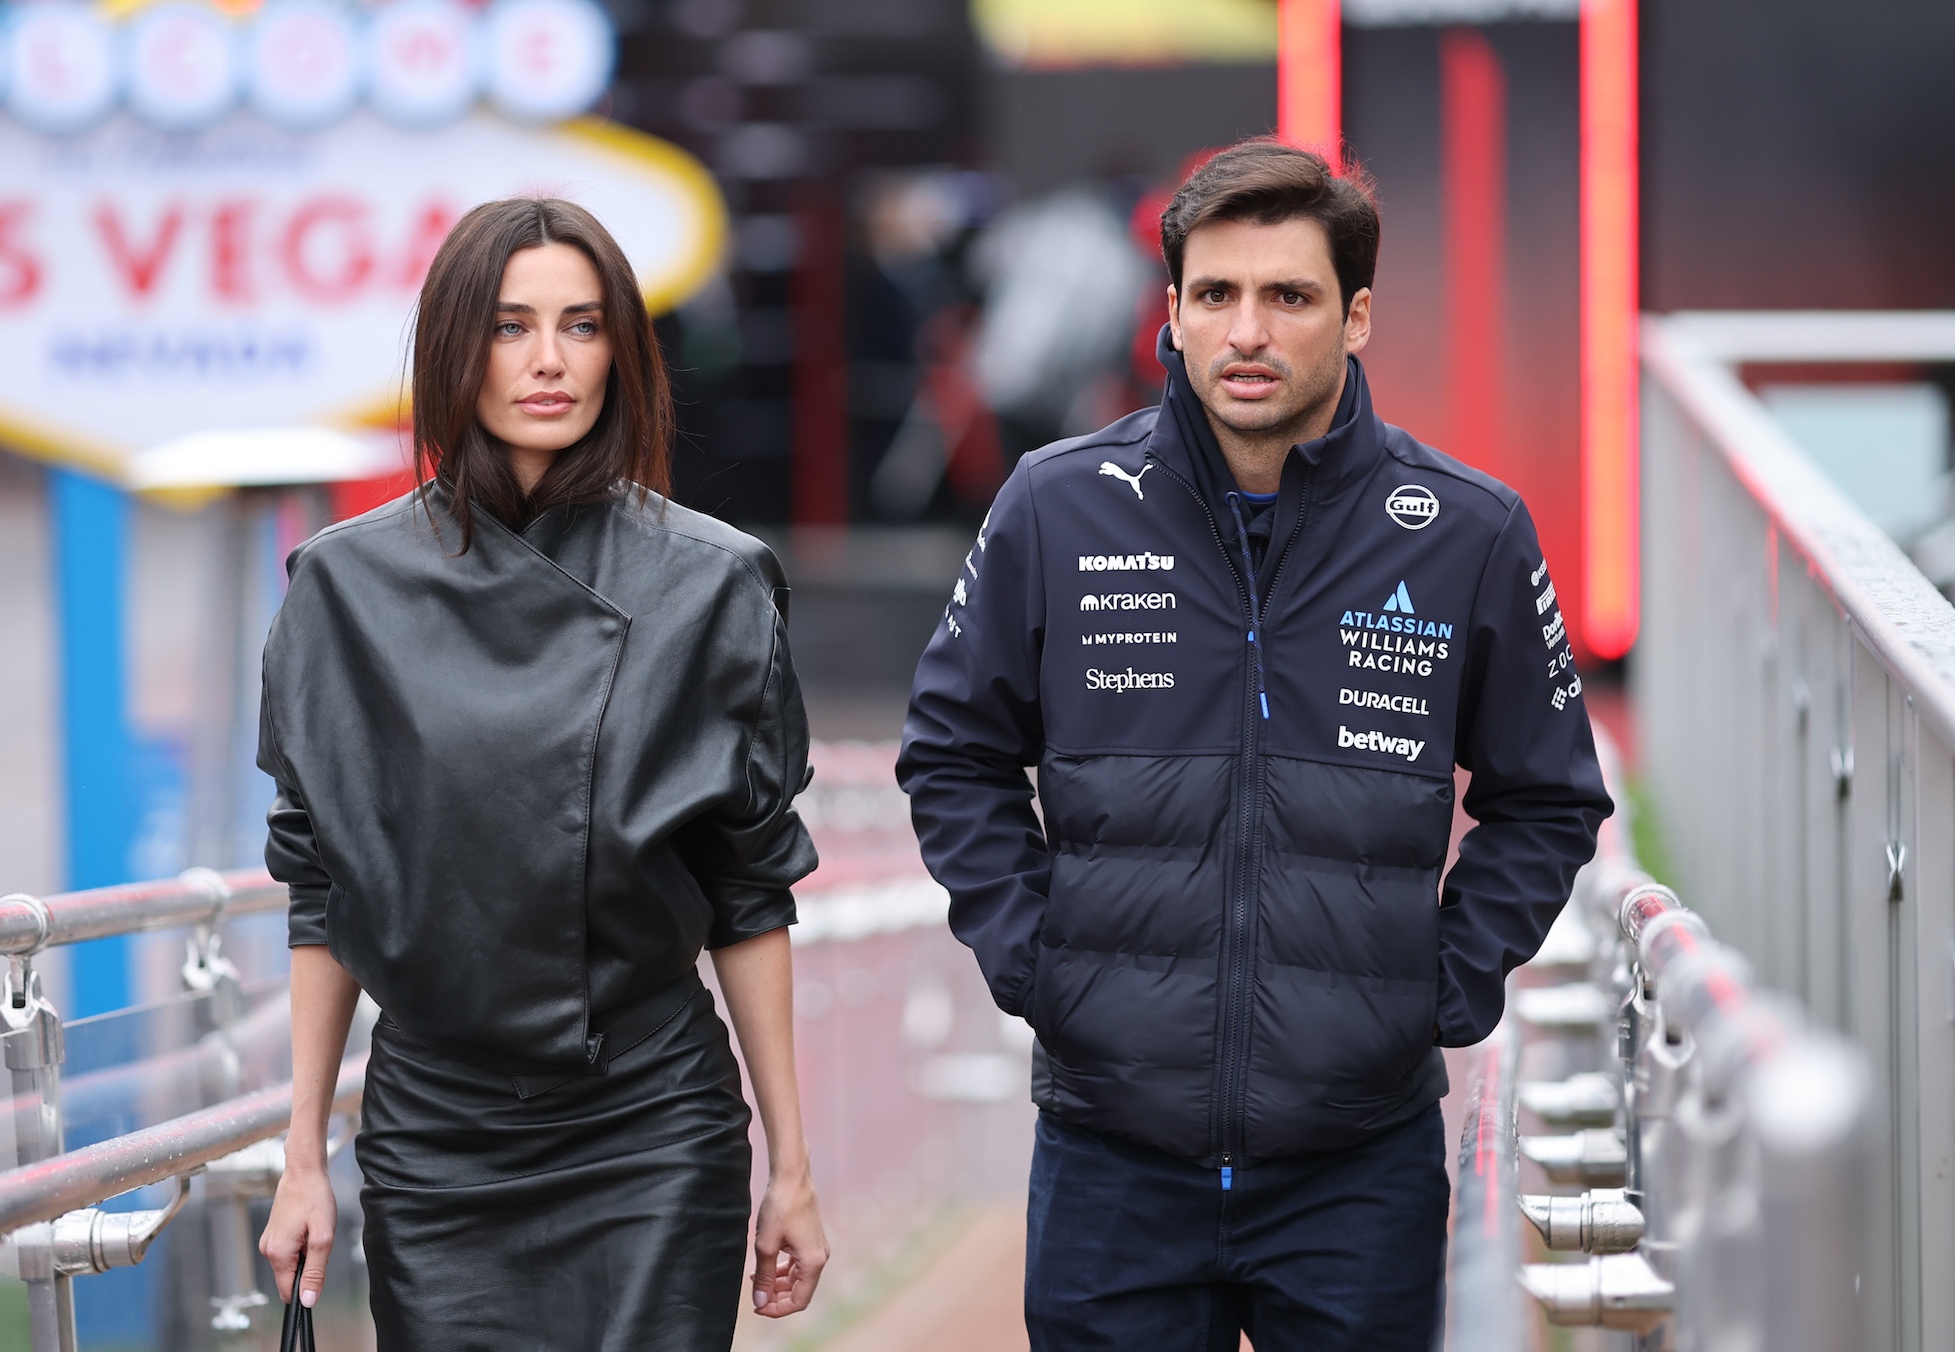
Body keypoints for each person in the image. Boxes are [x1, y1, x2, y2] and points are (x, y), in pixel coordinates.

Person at [898, 140, 1611, 1348]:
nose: (1247, 331)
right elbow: (951, 751)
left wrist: (1439, 983)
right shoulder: (1056, 505)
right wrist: (1041, 964)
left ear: (1357, 315)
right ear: (1171, 313)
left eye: (1289, 295)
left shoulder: (1468, 531)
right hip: (1111, 1155)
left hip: (1358, 1166)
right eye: (1215, 293)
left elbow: (1548, 795)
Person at [255, 197, 829, 1351]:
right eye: (510, 325)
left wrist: (793, 1167)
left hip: (650, 1117)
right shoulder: (343, 588)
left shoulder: (714, 582)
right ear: (453, 346)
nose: (549, 359)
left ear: (622, 350)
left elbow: (749, 886)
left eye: (582, 324)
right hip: (437, 1131)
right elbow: (323, 887)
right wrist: (302, 1154)